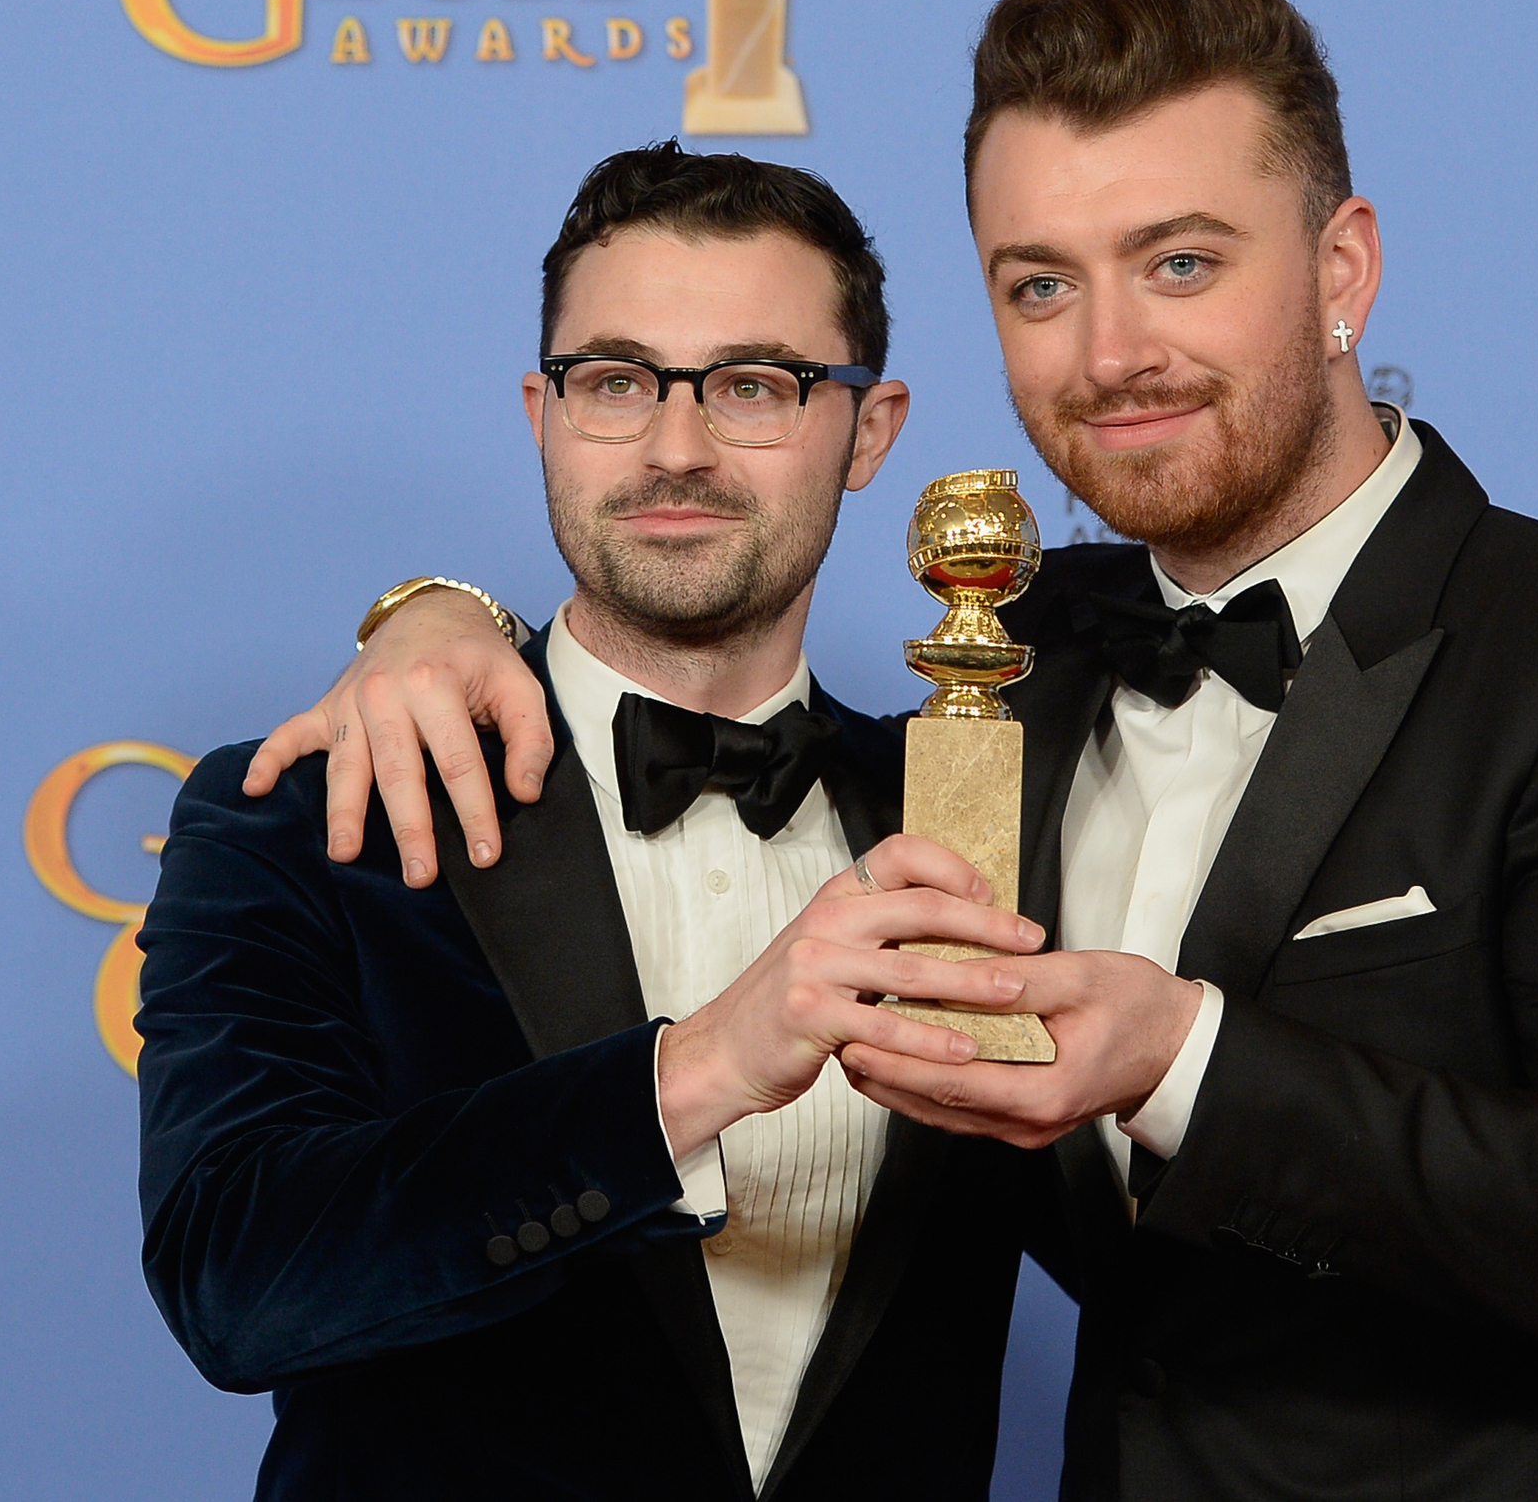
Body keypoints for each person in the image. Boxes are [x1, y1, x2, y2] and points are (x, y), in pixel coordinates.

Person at [255, 0, 1538, 1502]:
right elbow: (682, 577)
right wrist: (438, 615)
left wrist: (1182, 1058)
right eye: (1040, 283)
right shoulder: (1020, 655)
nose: (1109, 352)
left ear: (1345, 270)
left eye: (1183, 263)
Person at [137, 142, 1057, 1502]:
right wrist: (692, 1071)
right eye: (618, 380)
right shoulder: (315, 808)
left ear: (870, 429)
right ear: (542, 410)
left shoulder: (987, 811)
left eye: (755, 384)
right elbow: (241, 1280)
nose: (675, 448)